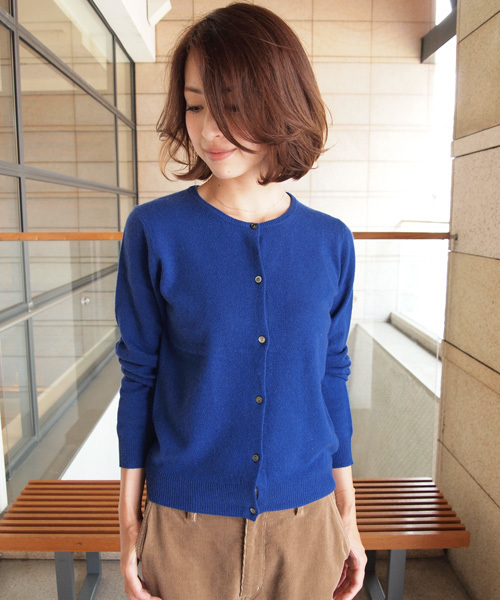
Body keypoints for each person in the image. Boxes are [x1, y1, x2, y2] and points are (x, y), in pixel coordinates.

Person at [115, 3, 367, 600]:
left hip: (306, 524)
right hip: (185, 524)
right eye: (195, 106)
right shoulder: (155, 232)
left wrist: (348, 517)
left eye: (231, 107)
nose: (207, 131)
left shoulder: (331, 242)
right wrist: (128, 529)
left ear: (280, 102)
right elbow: (140, 377)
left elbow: (330, 377)